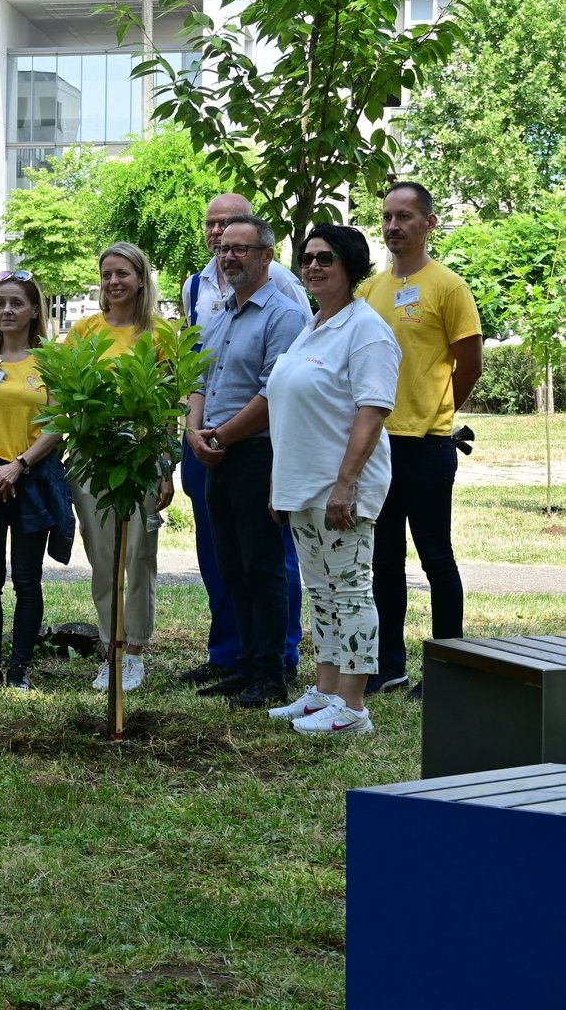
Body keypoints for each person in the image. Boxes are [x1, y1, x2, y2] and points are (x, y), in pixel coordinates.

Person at [267, 225, 399, 735]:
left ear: (351, 267)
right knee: (320, 592)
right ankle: (324, 691)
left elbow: (373, 409)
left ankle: (353, 707)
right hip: (302, 485)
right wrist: (279, 482)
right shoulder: (315, 324)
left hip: (340, 488)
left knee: (350, 592)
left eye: (326, 259)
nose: (314, 267)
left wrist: (346, 484)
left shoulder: (365, 329)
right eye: (307, 259)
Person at [357, 181, 484, 698]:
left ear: (428, 223)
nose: (393, 226)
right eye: (387, 217)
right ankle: (390, 665)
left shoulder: (447, 287)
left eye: (405, 216)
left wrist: (436, 408)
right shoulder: (370, 291)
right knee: (383, 560)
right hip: (379, 444)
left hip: (428, 445)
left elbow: (470, 363)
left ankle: (448, 666)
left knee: (435, 556)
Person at [179, 193, 309, 685]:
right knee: (231, 566)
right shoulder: (220, 316)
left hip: (255, 454)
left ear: (266, 257)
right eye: (223, 248)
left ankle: (271, 670)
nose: (228, 256)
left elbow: (274, 393)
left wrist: (222, 437)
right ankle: (243, 664)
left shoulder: (283, 314)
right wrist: (195, 433)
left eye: (241, 249)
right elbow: (197, 381)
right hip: (216, 454)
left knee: (264, 567)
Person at [65, 243, 174, 693]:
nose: (113, 282)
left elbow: (170, 406)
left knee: (139, 556)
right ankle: (110, 649)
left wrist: (167, 466)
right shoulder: (85, 331)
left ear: (141, 279)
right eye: (107, 274)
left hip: (142, 458)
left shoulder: (161, 334)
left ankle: (135, 654)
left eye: (123, 274)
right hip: (94, 460)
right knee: (104, 559)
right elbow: (66, 393)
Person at [0, 272, 70, 691]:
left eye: (16, 303)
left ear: (34, 310)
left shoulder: (51, 363)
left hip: (31, 476)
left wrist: (18, 464)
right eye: (1, 302)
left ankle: (19, 667)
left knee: (26, 578)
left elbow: (58, 422)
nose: (7, 310)